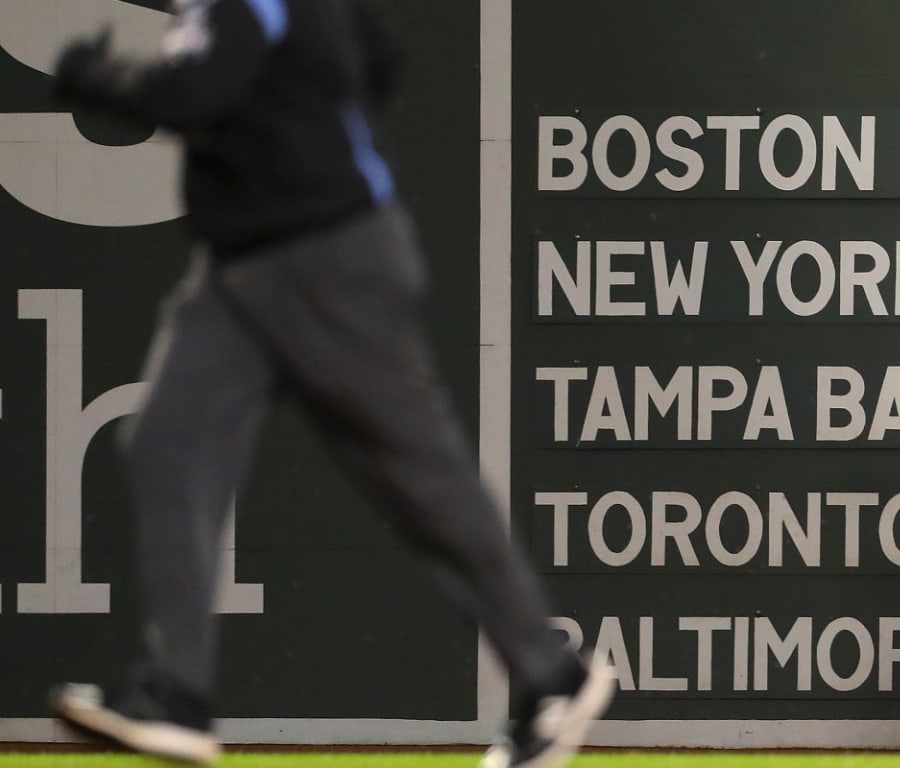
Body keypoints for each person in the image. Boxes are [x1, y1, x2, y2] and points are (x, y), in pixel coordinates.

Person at [47, 2, 612, 766]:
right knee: (166, 443)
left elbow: (197, 95)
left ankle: (554, 677)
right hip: (245, 264)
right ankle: (175, 692)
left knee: (419, 477)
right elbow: (379, 55)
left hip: (326, 254)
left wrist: (97, 75)